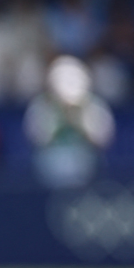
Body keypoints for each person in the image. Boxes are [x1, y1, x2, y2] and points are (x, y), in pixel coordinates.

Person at [24, 55, 114, 189]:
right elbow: (38, 139)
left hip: (87, 167)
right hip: (50, 166)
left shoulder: (94, 105)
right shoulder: (40, 105)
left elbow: (101, 140)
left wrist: (79, 119)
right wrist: (60, 119)